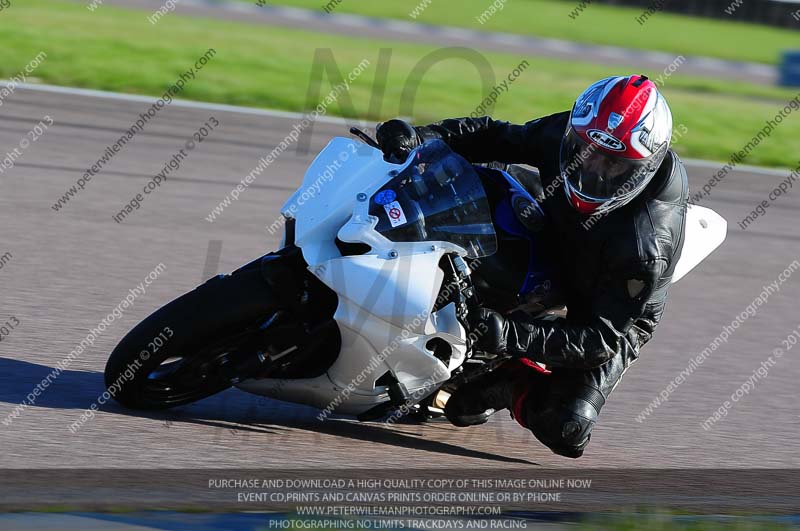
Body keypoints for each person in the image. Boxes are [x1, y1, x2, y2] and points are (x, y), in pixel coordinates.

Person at [375, 75, 688, 458]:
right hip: (557, 226)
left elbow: (599, 339)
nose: (594, 170)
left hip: (608, 304)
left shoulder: (646, 245)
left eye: (613, 165)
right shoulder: (574, 132)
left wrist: (508, 334)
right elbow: (498, 136)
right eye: (585, 152)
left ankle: (511, 380)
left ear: (644, 168)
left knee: (568, 428)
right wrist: (420, 138)